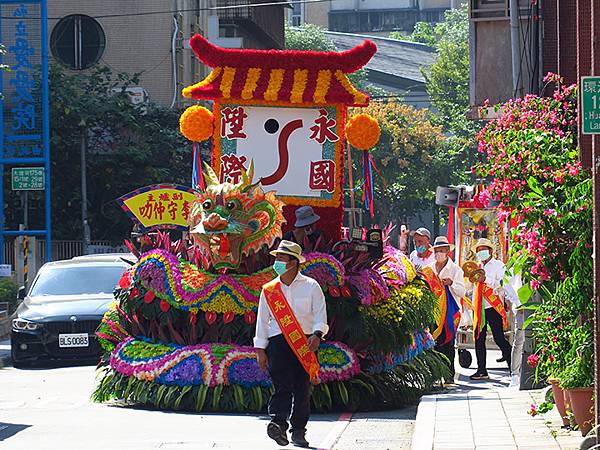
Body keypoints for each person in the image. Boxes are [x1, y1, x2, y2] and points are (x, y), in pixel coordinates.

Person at [254, 240, 328, 448]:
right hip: (278, 343)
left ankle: (298, 430)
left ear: (294, 263)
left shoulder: (311, 286)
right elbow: (262, 320)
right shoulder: (269, 290)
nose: (276, 262)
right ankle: (278, 422)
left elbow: (320, 314)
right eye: (276, 257)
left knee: (302, 388)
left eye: (281, 258)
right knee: (282, 384)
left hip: (305, 342)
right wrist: (260, 349)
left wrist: (317, 334)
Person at [469, 238, 512, 380]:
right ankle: (481, 370)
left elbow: (502, 284)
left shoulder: (499, 266)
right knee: (478, 338)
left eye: (484, 249)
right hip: (479, 307)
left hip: (493, 306)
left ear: (491, 251)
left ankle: (513, 365)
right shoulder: (477, 266)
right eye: (479, 250)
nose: (481, 252)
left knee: (499, 337)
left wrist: (486, 279)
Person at [428, 236, 466, 377]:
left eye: (441, 250)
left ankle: (449, 373)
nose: (438, 253)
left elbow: (462, 292)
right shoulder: (429, 269)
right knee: (433, 343)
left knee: (448, 342)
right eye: (436, 251)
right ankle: (436, 374)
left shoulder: (456, 270)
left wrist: (451, 283)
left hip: (450, 312)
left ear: (448, 251)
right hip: (433, 312)